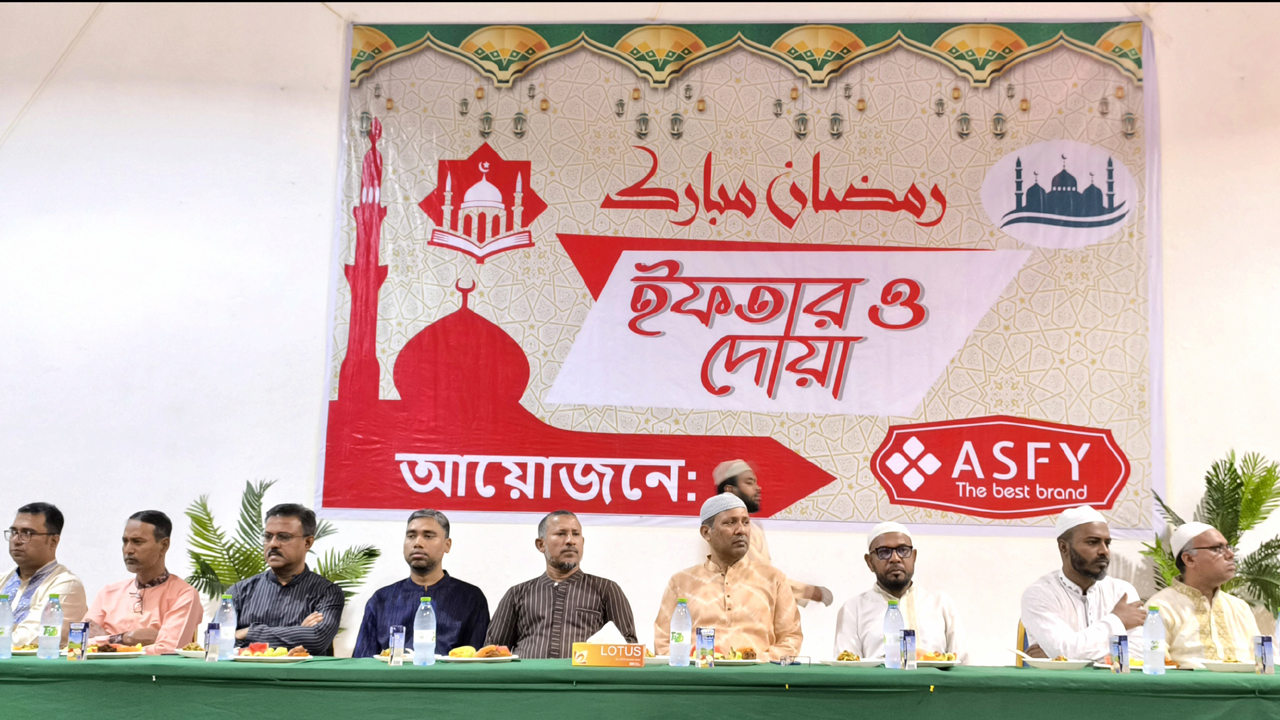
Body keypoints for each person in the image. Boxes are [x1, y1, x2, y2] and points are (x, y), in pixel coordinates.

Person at [654, 494, 802, 661]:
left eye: (745, 522)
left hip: (758, 674)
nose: (741, 530)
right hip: (700, 674)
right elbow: (663, 643)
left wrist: (756, 663)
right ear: (706, 533)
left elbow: (791, 639)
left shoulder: (773, 579)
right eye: (730, 522)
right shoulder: (681, 582)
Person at [486, 510, 637, 658]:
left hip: (584, 675)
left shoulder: (606, 590)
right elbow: (492, 652)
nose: (570, 540)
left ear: (582, 542)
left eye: (576, 534)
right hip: (528, 675)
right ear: (541, 544)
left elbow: (628, 651)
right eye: (561, 533)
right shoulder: (517, 594)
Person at [354, 509, 489, 658]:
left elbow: (477, 662)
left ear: (447, 545)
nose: (417, 543)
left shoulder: (470, 598)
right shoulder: (382, 599)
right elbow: (362, 662)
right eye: (411, 536)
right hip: (393, 674)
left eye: (428, 536)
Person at [1020, 505, 1146, 661]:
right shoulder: (1040, 594)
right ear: (1064, 547)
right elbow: (1063, 650)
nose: (1104, 551)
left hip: (1112, 678)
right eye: (1093, 542)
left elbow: (1140, 653)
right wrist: (1118, 621)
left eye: (1107, 543)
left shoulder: (1122, 592)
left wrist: (1062, 656)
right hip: (1059, 679)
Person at [833, 522, 967, 662]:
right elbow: (847, 667)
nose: (895, 558)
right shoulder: (853, 609)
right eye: (884, 552)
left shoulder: (940, 604)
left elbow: (962, 664)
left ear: (913, 557)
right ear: (870, 562)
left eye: (903, 550)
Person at [229, 504, 345, 656]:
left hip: (301, 672)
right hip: (246, 671)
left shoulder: (327, 593)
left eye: (284, 537)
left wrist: (247, 633)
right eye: (268, 536)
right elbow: (215, 640)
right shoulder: (240, 591)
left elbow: (317, 639)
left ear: (308, 542)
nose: (273, 544)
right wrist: (299, 633)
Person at [714, 460, 832, 607]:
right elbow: (760, 578)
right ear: (730, 491)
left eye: (755, 482)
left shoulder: (752, 527)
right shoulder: (728, 530)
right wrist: (809, 592)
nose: (758, 488)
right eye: (749, 483)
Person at [84, 511, 203, 654]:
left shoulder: (183, 595)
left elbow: (168, 649)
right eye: (125, 541)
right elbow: (77, 642)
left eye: (137, 542)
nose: (128, 550)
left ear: (164, 545)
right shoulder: (108, 593)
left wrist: (105, 640)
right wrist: (126, 638)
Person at [1148, 522, 1259, 664]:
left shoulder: (1240, 608)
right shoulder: (1160, 607)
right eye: (1217, 548)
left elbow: (1261, 663)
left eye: (1227, 547)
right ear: (1189, 559)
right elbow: (1155, 664)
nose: (1230, 554)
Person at [0, 503, 88, 647]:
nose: (16, 540)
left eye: (27, 533)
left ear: (53, 541)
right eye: (14, 532)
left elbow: (23, 642)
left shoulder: (67, 585)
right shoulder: (3, 580)